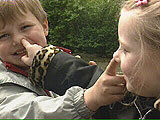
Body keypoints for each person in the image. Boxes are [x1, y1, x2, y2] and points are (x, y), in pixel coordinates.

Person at [21, 0, 160, 119]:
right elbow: (117, 105)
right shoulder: (144, 97)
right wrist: (47, 60)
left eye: (125, 49)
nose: (115, 55)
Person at [0, 0, 126, 118]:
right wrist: (88, 98)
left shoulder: (61, 62)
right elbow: (28, 112)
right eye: (3, 36)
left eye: (25, 27)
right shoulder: (3, 82)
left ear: (45, 27)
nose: (18, 40)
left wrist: (87, 83)